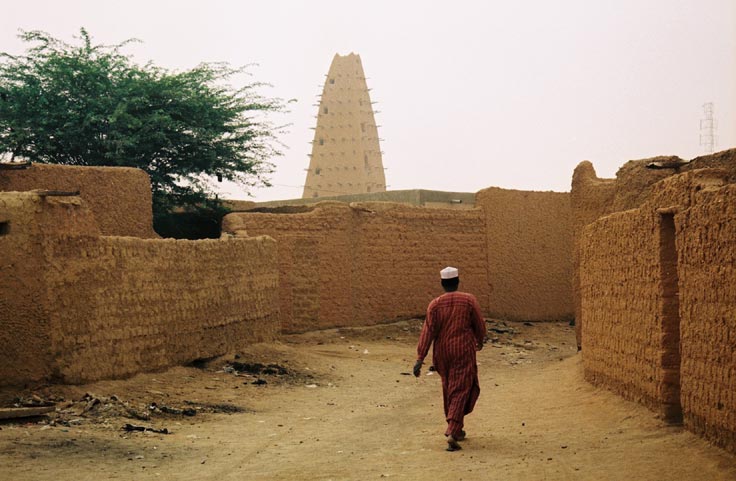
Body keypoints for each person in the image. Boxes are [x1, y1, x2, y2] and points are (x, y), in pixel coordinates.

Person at [413, 266, 486, 451]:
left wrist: (420, 358)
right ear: (458, 282)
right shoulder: (468, 300)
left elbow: (427, 332)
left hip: (442, 354)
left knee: (449, 388)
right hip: (462, 351)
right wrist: (480, 339)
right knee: (461, 389)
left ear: (442, 284)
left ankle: (458, 429)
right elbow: (479, 323)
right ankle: (452, 431)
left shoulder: (435, 305)